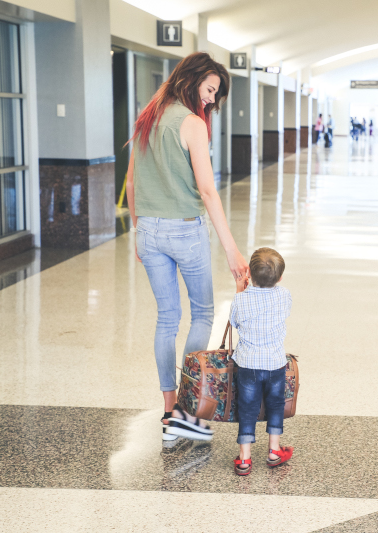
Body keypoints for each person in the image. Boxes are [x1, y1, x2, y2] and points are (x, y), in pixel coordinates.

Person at [125, 52, 250, 443]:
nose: (212, 99)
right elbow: (208, 190)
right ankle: (184, 408)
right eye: (210, 89)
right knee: (202, 313)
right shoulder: (192, 124)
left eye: (216, 94)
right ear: (193, 79)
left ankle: (168, 414)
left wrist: (137, 229)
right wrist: (231, 249)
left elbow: (130, 181)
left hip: (148, 229)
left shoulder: (149, 116)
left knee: (166, 318)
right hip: (185, 230)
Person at [231, 248, 294, 476]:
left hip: (248, 364)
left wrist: (240, 289)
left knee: (247, 408)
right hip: (275, 363)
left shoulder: (240, 300)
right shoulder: (284, 295)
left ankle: (245, 459)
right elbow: (285, 312)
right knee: (275, 404)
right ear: (279, 278)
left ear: (249, 273)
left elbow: (234, 323)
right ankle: (274, 450)